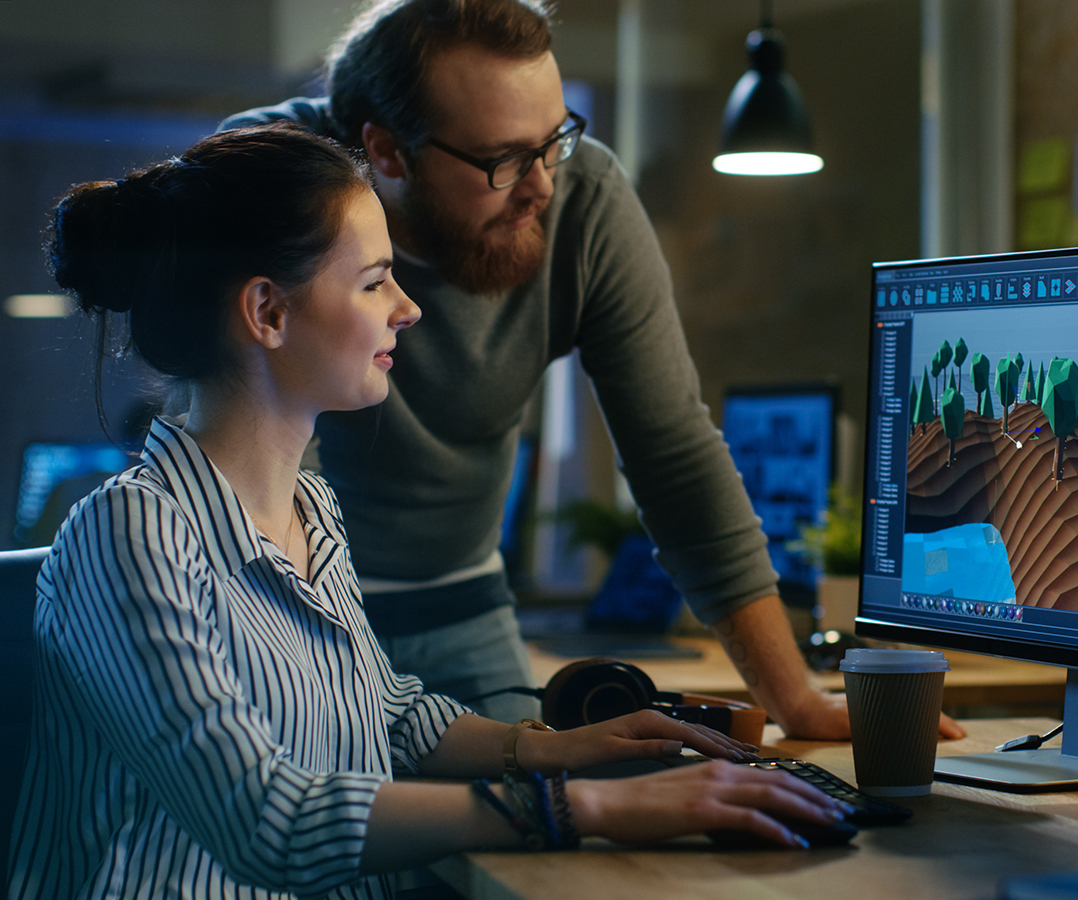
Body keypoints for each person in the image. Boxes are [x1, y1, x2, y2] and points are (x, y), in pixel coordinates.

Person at [6, 125, 848, 899]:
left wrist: (565, 746)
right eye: (374, 281)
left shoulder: (309, 506)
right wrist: (587, 806)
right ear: (267, 312)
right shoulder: (126, 538)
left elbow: (386, 711)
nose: (407, 308)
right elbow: (272, 820)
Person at [220, 0, 965, 741]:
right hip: (284, 602)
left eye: (555, 141)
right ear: (386, 153)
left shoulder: (582, 201)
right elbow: (247, 458)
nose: (543, 186)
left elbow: (673, 454)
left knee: (531, 835)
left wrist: (794, 699)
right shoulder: (263, 183)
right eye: (504, 160)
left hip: (462, 606)